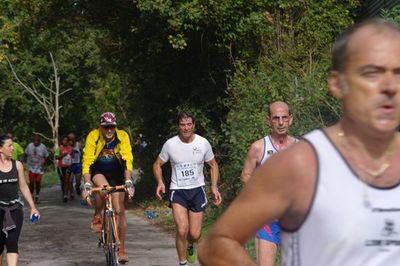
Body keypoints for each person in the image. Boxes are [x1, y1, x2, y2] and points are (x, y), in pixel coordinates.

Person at [198, 18, 400, 265]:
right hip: (269, 224)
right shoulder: (300, 163)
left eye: (399, 73)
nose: (390, 86)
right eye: (372, 73)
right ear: (337, 84)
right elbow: (216, 246)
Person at [153, 112, 222, 266]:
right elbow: (157, 164)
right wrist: (160, 182)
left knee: (195, 234)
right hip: (178, 191)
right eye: (182, 125)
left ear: (193, 125)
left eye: (189, 124)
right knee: (182, 229)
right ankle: (183, 263)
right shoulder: (170, 144)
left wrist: (214, 186)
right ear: (178, 126)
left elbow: (213, 164)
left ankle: (191, 245)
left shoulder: (203, 143)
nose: (186, 128)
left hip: (197, 190)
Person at [240, 101, 296, 266]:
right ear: (269, 120)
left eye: (284, 118)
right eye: (276, 118)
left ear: (290, 120)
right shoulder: (258, 147)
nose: (280, 122)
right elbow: (245, 175)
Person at [81, 112, 134, 264]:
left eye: (112, 127)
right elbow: (88, 160)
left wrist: (128, 180)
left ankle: (122, 249)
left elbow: (127, 158)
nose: (109, 130)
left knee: (119, 210)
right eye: (106, 127)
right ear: (101, 127)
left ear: (115, 126)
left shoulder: (122, 136)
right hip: (99, 171)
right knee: (103, 189)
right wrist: (87, 182)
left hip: (117, 173)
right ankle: (98, 214)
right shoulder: (94, 136)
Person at [0, 134, 40, 266]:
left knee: (12, 242)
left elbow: (23, 187)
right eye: (9, 146)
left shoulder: (17, 165)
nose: (13, 148)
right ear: (1, 149)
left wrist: (33, 207)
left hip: (15, 209)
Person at [24, 134, 49, 203]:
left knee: (38, 182)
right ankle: (31, 196)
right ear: (33, 141)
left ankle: (37, 196)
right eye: (35, 140)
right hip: (31, 167)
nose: (36, 142)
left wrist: (44, 160)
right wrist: (23, 162)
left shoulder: (43, 147)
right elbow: (25, 154)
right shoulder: (29, 146)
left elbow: (47, 155)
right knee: (31, 183)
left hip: (39, 167)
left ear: (40, 141)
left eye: (38, 141)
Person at [54, 135, 73, 202]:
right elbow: (56, 157)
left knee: (67, 180)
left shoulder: (70, 148)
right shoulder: (59, 148)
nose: (65, 141)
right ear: (62, 141)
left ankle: (65, 195)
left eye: (66, 140)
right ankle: (64, 192)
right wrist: (62, 155)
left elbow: (72, 157)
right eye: (64, 140)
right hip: (61, 167)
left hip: (68, 166)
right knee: (63, 181)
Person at [67, 132, 82, 197]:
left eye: (72, 138)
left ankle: (77, 186)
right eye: (69, 138)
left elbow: (82, 152)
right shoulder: (67, 146)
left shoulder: (78, 144)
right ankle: (71, 193)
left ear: (74, 138)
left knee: (78, 182)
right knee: (70, 181)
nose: (71, 140)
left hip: (78, 164)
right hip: (70, 164)